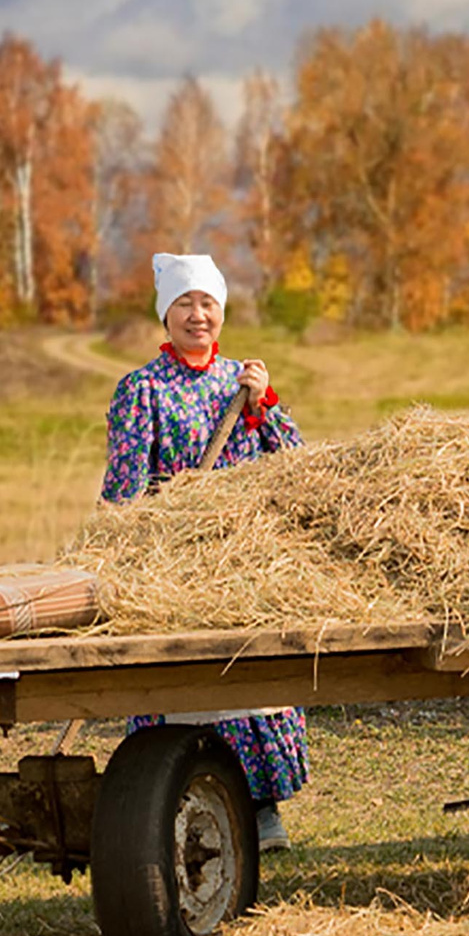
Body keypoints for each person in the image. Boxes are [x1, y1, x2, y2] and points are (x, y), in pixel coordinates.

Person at [100, 252, 306, 851]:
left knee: (253, 674)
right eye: (185, 304)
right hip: (178, 560)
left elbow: (296, 462)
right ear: (165, 315)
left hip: (242, 558)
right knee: (189, 682)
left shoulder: (244, 381)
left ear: (222, 313)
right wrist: (125, 551)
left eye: (208, 305)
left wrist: (267, 405)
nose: (198, 316)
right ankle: (185, 805)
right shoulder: (143, 391)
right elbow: (124, 489)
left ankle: (262, 809)